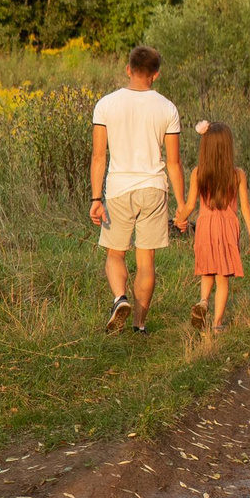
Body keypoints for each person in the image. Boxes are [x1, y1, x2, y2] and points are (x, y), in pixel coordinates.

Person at [88, 46, 186, 334]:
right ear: (156, 74)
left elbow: (98, 156)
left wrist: (96, 198)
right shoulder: (167, 108)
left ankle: (120, 299)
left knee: (115, 254)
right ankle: (139, 325)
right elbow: (174, 162)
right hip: (154, 189)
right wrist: (182, 204)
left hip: (119, 189)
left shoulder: (106, 105)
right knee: (146, 261)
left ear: (128, 69)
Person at [183, 120, 250, 334]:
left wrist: (180, 219)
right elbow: (245, 206)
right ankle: (217, 324)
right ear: (228, 147)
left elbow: (190, 205)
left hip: (205, 226)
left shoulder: (198, 173)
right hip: (227, 227)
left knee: (207, 270)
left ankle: (203, 301)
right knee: (223, 277)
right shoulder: (237, 174)